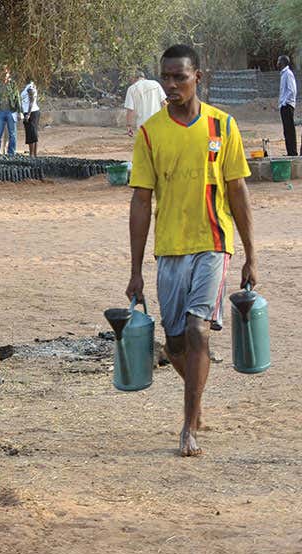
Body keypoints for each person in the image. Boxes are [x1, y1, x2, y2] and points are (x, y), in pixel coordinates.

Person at [127, 45, 257, 457]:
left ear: (199, 76)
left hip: (214, 244)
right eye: (165, 77)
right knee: (176, 344)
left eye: (179, 77)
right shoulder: (150, 133)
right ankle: (195, 399)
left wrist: (252, 254)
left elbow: (238, 190)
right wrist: (135, 269)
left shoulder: (223, 125)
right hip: (170, 249)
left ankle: (188, 426)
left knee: (199, 329)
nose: (170, 85)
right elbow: (141, 201)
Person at [124, 68, 167, 137]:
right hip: (157, 122)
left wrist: (129, 126)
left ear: (134, 78)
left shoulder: (132, 89)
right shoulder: (155, 84)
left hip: (143, 125)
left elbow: (130, 110)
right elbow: (164, 103)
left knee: (146, 146)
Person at [0, 65, 20, 155]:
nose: (4, 74)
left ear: (9, 73)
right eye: (2, 71)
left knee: (12, 134)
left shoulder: (13, 84)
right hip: (0, 112)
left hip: (11, 111)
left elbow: (17, 98)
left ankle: (11, 152)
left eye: (5, 72)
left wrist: (20, 112)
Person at [279, 56, 297, 157]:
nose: (277, 63)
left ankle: (293, 152)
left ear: (282, 62)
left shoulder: (288, 74)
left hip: (287, 105)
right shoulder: (283, 74)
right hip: (284, 106)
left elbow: (292, 90)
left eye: (278, 61)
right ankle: (290, 152)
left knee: (289, 129)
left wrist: (284, 102)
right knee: (286, 130)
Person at [21, 77, 40, 157]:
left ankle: (32, 154)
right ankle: (34, 154)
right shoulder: (30, 86)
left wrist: (28, 114)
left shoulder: (30, 87)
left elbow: (31, 100)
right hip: (32, 112)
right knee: (33, 133)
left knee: (31, 133)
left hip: (31, 112)